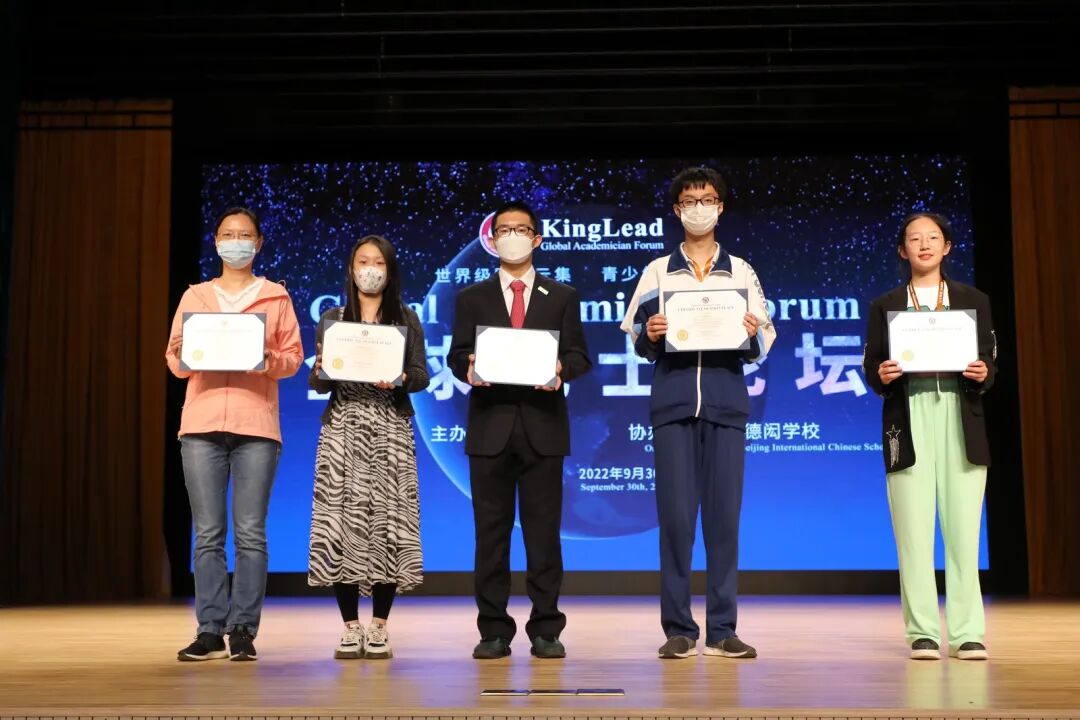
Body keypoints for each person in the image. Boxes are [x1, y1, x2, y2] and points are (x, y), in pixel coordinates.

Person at [620, 167, 775, 660]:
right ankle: (679, 629)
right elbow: (636, 335)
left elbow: (764, 338)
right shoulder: (657, 271)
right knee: (676, 520)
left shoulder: (741, 271)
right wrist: (652, 334)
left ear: (720, 208)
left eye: (707, 200)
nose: (698, 208)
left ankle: (723, 629)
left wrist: (750, 332)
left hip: (726, 405)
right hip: (673, 404)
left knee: (724, 521)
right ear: (677, 210)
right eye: (689, 201)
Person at [449, 200, 592, 659]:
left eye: (521, 229)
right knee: (490, 536)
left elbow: (580, 357)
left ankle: (546, 628)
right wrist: (468, 367)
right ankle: (493, 630)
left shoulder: (562, 295)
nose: (512, 236)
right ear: (492, 240)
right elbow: (456, 356)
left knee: (543, 535)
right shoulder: (471, 297)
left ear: (537, 239)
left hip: (543, 428)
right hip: (489, 428)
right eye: (504, 229)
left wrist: (561, 370)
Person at [166, 206, 304, 661]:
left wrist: (264, 357)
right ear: (216, 241)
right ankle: (209, 630)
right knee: (207, 533)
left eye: (245, 235)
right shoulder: (195, 296)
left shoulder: (276, 297)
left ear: (258, 243)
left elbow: (293, 358)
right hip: (201, 424)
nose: (236, 242)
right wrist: (191, 354)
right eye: (228, 234)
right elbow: (174, 358)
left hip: (255, 425)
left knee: (250, 533)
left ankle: (243, 628)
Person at [863, 212, 996, 661]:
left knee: (964, 531)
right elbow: (872, 366)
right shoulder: (885, 304)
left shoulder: (972, 299)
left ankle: (967, 632)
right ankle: (922, 631)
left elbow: (990, 360)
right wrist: (881, 375)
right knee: (913, 532)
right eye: (914, 239)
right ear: (902, 250)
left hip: (960, 413)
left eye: (933, 237)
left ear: (947, 246)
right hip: (909, 414)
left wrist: (983, 372)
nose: (924, 245)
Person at [308, 235, 428, 660]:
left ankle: (379, 626)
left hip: (390, 429)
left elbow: (421, 375)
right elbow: (319, 382)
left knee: (388, 526)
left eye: (378, 262)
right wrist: (322, 368)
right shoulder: (333, 318)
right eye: (363, 261)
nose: (370, 269)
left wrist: (401, 379)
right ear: (351, 268)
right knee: (342, 525)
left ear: (390, 271)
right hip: (343, 430)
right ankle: (349, 627)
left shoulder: (406, 318)